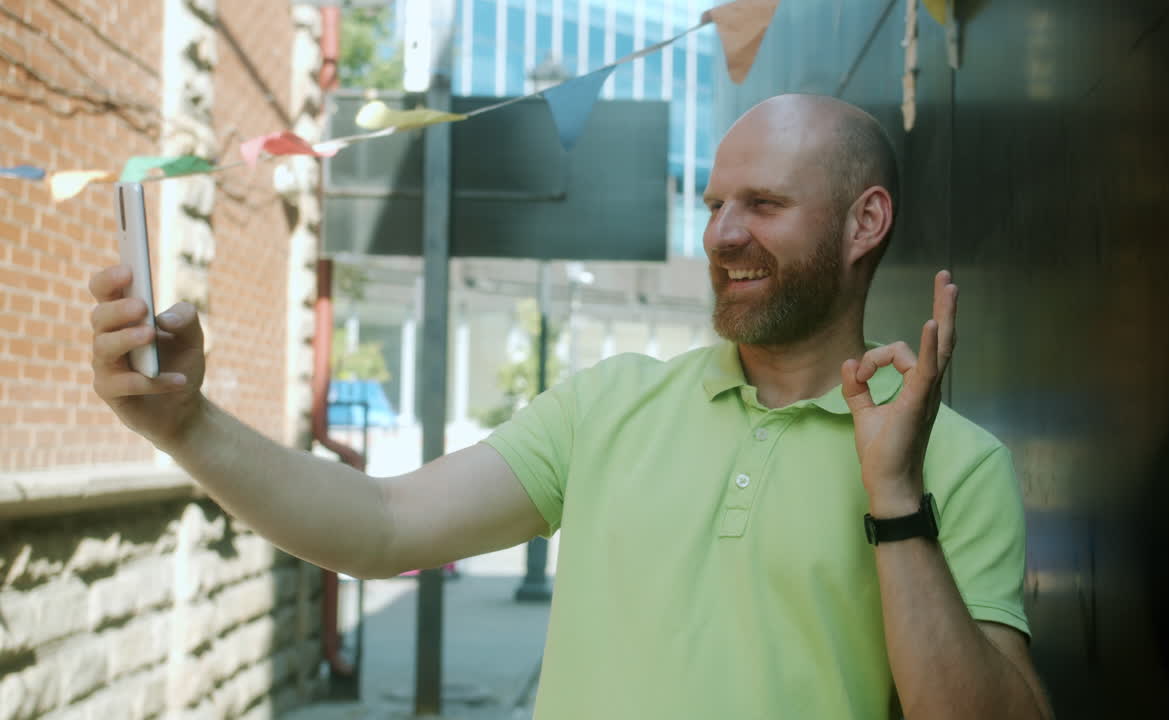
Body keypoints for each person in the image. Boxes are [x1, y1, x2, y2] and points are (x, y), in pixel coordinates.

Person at [89, 94, 1053, 719]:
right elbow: (379, 525)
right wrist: (187, 425)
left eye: (761, 203)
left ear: (865, 222)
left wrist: (894, 501)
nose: (721, 233)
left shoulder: (956, 467)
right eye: (715, 203)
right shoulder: (610, 406)